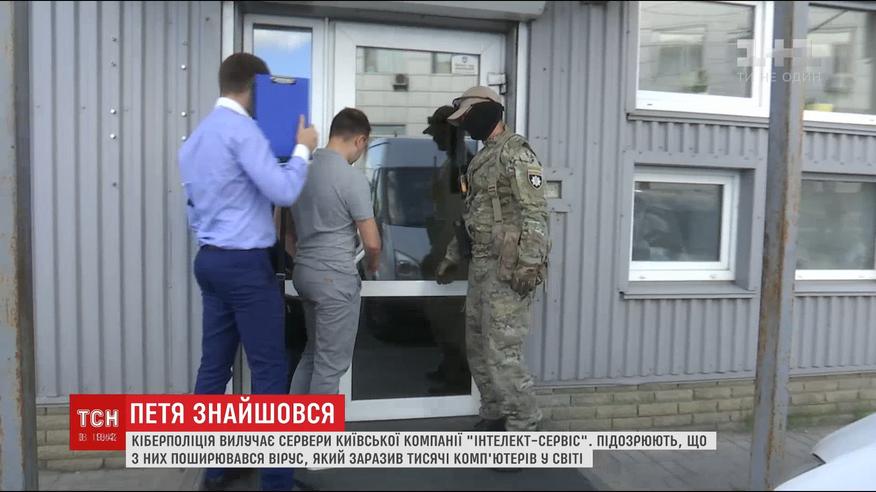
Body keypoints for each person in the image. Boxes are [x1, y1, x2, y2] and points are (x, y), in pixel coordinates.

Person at [178, 52, 318, 492]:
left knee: (213, 370)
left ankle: (212, 471)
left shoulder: (195, 140)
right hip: (245, 266)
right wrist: (303, 147)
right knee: (269, 371)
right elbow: (284, 190)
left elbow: (195, 211)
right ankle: (276, 483)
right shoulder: (243, 132)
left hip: (210, 260)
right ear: (255, 87)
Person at [436, 86, 550, 432]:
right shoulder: (482, 158)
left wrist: (529, 264)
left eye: (468, 118)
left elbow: (535, 213)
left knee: (503, 353)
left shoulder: (516, 153)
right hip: (482, 267)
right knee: (478, 347)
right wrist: (452, 256)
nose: (466, 127)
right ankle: (495, 413)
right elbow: (472, 216)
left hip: (507, 269)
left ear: (487, 113)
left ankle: (523, 423)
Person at [288, 108, 381, 395]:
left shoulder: (300, 171)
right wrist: (373, 266)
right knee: (329, 367)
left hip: (305, 274)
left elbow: (283, 228)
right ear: (360, 140)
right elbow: (372, 242)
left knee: (312, 354)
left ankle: (298, 422)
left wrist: (303, 258)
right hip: (335, 280)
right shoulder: (351, 179)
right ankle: (321, 426)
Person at [421, 105, 472, 394]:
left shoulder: (463, 166)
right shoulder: (452, 163)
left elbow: (461, 217)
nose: (433, 140)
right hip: (444, 245)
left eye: (436, 134)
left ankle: (458, 376)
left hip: (456, 252)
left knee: (451, 319)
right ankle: (450, 367)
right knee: (441, 318)